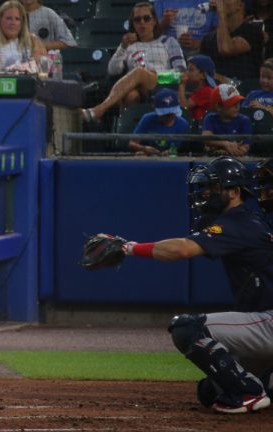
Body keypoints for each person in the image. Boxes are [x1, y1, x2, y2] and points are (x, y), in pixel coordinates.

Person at [98, 156, 273, 414]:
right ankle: (257, 388)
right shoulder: (250, 222)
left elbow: (180, 249)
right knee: (210, 391)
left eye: (213, 187)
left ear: (235, 192)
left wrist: (129, 248)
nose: (204, 193)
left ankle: (250, 392)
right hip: (262, 322)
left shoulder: (240, 223)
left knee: (188, 328)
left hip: (268, 322)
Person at [80, 2, 186, 123]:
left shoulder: (168, 42)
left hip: (163, 81)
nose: (142, 23)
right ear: (133, 24)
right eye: (137, 19)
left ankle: (98, 110)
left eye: (146, 18)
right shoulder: (130, 46)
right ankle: (126, 130)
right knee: (132, 96)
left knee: (139, 72)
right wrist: (122, 47)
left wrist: (155, 74)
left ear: (154, 21)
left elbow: (181, 72)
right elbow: (113, 70)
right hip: (137, 86)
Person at [0, 0, 47, 70]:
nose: (13, 23)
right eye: (8, 18)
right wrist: (20, 68)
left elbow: (42, 66)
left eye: (17, 19)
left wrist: (26, 67)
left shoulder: (33, 40)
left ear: (23, 23)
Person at [200, 0, 264, 81]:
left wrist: (221, 14)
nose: (221, 2)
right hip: (215, 89)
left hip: (244, 89)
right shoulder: (208, 39)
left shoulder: (252, 31)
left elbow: (226, 49)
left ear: (240, 5)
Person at [128, 88, 191, 155]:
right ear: (155, 110)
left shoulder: (183, 124)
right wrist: (143, 149)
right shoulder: (147, 119)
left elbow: (181, 149)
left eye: (171, 114)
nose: (168, 117)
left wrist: (171, 152)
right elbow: (132, 143)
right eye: (164, 114)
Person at [154, 0, 219, 57]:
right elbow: (151, 34)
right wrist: (163, 22)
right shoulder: (161, 1)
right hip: (168, 51)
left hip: (201, 52)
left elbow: (218, 35)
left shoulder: (212, 2)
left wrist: (198, 44)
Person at [202, 83, 252, 156]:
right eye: (232, 103)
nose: (237, 106)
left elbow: (246, 146)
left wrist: (234, 151)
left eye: (238, 102)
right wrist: (225, 144)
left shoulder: (244, 120)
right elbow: (206, 137)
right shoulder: (210, 118)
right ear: (218, 106)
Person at [178, 54, 218, 121]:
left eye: (191, 70)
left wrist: (182, 85)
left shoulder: (206, 91)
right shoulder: (204, 89)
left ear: (203, 75)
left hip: (200, 127)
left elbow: (184, 105)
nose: (187, 73)